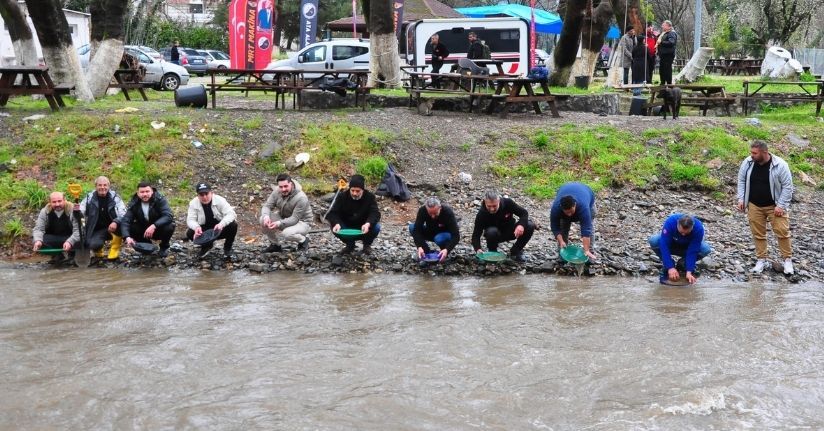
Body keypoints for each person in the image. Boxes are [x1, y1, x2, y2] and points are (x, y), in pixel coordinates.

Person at [736, 141, 795, 274]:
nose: (751, 155)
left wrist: (781, 205)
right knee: (758, 234)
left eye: (754, 153)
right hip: (754, 204)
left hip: (774, 206)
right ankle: (761, 260)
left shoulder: (780, 165)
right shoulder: (748, 162)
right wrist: (741, 198)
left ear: (764, 152)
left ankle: (787, 261)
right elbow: (741, 180)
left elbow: (788, 186)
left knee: (782, 232)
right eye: (751, 152)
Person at [471, 190, 534, 262]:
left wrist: (521, 225)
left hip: (511, 232)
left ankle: (516, 250)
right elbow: (476, 235)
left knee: (529, 225)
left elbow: (524, 213)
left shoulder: (508, 203)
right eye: (489, 206)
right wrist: (478, 249)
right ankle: (492, 252)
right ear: (485, 202)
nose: (492, 209)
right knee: (492, 231)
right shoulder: (481, 214)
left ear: (499, 201)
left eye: (494, 206)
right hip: (494, 236)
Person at [649, 214, 712, 284]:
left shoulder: (699, 228)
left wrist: (689, 271)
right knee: (654, 240)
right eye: (681, 232)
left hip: (686, 248)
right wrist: (670, 267)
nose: (683, 235)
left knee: (706, 249)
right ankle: (668, 264)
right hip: (672, 245)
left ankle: (683, 263)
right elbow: (664, 246)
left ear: (692, 227)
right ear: (677, 224)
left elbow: (693, 250)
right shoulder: (671, 222)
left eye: (687, 233)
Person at [327, 174, 381, 255]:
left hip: (363, 227)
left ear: (362, 190)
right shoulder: (342, 196)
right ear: (350, 189)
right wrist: (337, 223)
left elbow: (375, 213)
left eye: (358, 191)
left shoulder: (370, 197)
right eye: (352, 190)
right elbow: (332, 213)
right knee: (333, 226)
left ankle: (366, 245)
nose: (354, 193)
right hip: (346, 226)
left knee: (376, 227)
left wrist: (368, 223)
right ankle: (350, 245)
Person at [121, 181, 176, 257]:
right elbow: (126, 220)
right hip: (143, 229)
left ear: (152, 191)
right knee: (127, 226)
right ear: (138, 193)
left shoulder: (159, 199)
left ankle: (164, 247)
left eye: (147, 191)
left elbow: (168, 215)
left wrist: (154, 226)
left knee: (170, 226)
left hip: (158, 229)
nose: (145, 194)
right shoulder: (134, 202)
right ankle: (146, 246)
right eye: (142, 192)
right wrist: (127, 237)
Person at [261, 174, 313, 253]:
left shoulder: (301, 198)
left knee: (287, 233)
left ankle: (304, 240)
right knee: (262, 219)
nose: (283, 189)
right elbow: (267, 206)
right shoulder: (276, 192)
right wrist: (266, 217)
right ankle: (275, 245)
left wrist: (278, 223)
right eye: (281, 187)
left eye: (286, 186)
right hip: (285, 218)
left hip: (302, 222)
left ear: (291, 184)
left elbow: (295, 219)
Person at [79, 176, 126, 262]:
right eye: (99, 185)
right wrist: (77, 211)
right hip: (97, 229)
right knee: (92, 244)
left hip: (114, 228)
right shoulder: (89, 198)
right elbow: (81, 211)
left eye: (105, 185)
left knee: (122, 224)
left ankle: (115, 248)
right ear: (95, 186)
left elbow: (124, 214)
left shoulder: (115, 197)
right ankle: (98, 250)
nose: (102, 187)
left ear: (109, 186)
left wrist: (116, 221)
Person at [186, 183, 238, 260]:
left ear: (211, 193)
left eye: (206, 194)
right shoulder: (193, 203)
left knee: (233, 225)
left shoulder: (220, 200)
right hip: (204, 231)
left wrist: (221, 224)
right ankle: (206, 246)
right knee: (190, 233)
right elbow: (190, 220)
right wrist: (196, 227)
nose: (204, 197)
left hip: (219, 229)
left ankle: (227, 247)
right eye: (201, 194)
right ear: (197, 195)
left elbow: (231, 214)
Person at [549, 182, 597, 261]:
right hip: (566, 189)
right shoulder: (556, 209)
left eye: (571, 211)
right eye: (566, 212)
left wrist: (586, 249)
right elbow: (555, 227)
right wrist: (561, 241)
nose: (569, 215)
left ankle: (589, 252)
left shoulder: (584, 207)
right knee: (563, 226)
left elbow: (586, 230)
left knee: (590, 227)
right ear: (561, 207)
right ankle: (563, 250)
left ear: (574, 205)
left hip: (587, 195)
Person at [32, 191, 80, 261]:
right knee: (37, 239)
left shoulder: (73, 210)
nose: (57, 204)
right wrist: (38, 240)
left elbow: (79, 231)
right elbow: (38, 229)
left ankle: (73, 255)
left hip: (70, 237)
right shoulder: (45, 211)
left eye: (59, 201)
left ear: (64, 200)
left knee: (81, 239)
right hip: (54, 238)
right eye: (54, 202)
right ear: (50, 202)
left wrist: (70, 241)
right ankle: (57, 255)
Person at [410, 196, 460, 263]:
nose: (433, 216)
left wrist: (447, 249)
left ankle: (444, 252)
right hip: (430, 232)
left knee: (438, 238)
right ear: (426, 209)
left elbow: (456, 235)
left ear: (440, 208)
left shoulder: (447, 212)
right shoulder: (422, 210)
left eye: (435, 213)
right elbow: (417, 230)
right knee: (412, 227)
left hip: (444, 235)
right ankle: (426, 252)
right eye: (430, 214)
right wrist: (419, 246)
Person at [656, 20, 677, 85]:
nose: (662, 26)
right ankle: (662, 83)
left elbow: (671, 42)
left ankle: (668, 83)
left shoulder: (671, 33)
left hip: (668, 55)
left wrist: (661, 42)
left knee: (667, 70)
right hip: (663, 55)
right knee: (662, 69)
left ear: (668, 26)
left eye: (664, 25)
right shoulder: (665, 33)